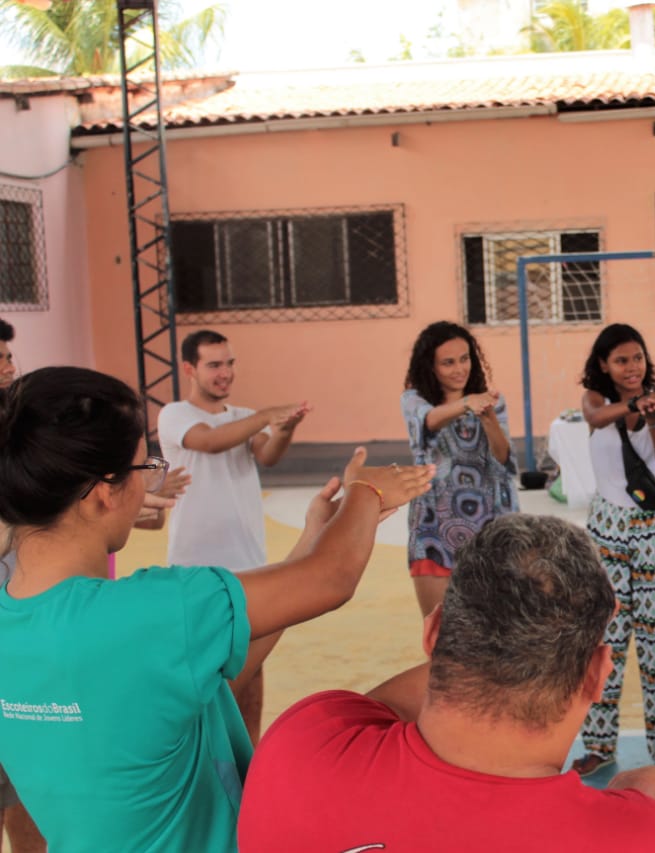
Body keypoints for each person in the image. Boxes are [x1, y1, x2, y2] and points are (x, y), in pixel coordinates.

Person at [0, 366, 431, 852]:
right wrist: (368, 493)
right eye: (145, 469)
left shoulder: (21, 622)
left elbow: (198, 687)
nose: (147, 485)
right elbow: (331, 578)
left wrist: (313, 537)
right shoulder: (155, 610)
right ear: (103, 492)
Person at [237, 514, 655, 851]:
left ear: (433, 633)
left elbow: (374, 713)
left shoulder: (302, 743)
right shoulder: (637, 839)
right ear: (597, 674)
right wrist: (635, 799)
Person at [158, 329, 312, 744]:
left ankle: (249, 754)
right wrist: (267, 416)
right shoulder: (174, 414)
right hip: (195, 566)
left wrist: (285, 429)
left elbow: (268, 454)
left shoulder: (241, 415)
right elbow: (208, 442)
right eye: (214, 365)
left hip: (248, 562)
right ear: (189, 369)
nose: (225, 372)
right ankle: (204, 754)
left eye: (229, 363)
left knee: (252, 667)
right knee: (202, 666)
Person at [570, 324, 655, 776]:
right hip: (606, 529)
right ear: (604, 364)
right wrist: (635, 406)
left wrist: (654, 417)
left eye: (637, 357)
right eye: (621, 360)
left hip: (654, 529)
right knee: (603, 638)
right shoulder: (595, 400)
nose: (632, 367)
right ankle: (598, 746)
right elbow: (597, 418)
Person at [401, 321, 517, 619]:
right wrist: (467, 404)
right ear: (430, 367)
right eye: (448, 362)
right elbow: (429, 421)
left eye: (465, 359)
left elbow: (503, 459)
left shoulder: (491, 402)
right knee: (440, 633)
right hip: (434, 530)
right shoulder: (414, 400)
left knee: (495, 633)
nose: (459, 369)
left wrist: (489, 419)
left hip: (489, 532)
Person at [0, 318, 42, 853]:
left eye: (9, 357)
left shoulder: (21, 440)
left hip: (25, 633)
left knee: (30, 782)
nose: (9, 368)